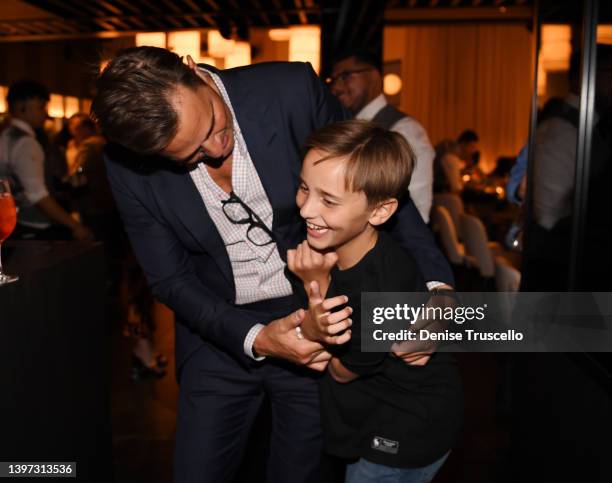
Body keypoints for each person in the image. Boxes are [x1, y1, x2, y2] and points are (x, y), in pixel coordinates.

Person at [91, 46, 454, 483]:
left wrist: (439, 290)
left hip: (314, 320)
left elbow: (380, 187)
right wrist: (258, 338)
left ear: (190, 69)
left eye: (210, 123)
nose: (214, 149)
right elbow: (169, 278)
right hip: (219, 333)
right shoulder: (125, 166)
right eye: (186, 157)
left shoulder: (291, 91)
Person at [287, 120, 462, 483]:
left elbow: (339, 369)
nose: (305, 209)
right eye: (305, 188)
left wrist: (316, 286)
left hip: (405, 430)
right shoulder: (345, 252)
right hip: (378, 416)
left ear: (380, 212)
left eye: (328, 200)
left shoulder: (382, 289)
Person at [328, 49, 435, 223]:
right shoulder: (341, 127)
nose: (336, 88)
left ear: (374, 77)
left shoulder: (404, 130)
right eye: (333, 80)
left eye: (346, 76)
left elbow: (417, 212)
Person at [0, 80, 92, 240]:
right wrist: (75, 226)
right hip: (35, 226)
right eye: (41, 107)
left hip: (15, 225)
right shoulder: (26, 143)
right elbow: (38, 195)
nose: (46, 113)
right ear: (21, 108)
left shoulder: (6, 136)